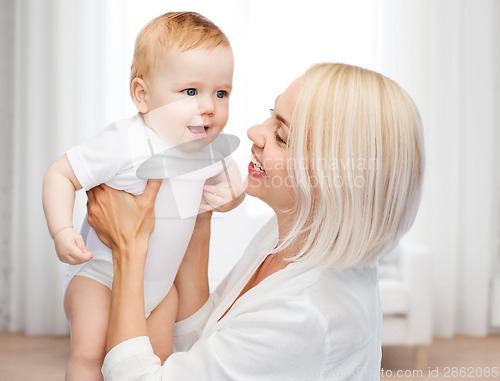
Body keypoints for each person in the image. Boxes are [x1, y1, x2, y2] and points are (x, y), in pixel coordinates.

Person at [86, 63, 425, 380]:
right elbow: (207, 339)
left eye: (282, 137)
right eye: (270, 116)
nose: (253, 132)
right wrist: (200, 218)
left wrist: (129, 248)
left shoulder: (305, 314)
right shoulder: (293, 235)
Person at [42, 11, 244, 381]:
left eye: (221, 93)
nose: (209, 106)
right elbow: (60, 173)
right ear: (143, 95)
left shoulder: (209, 148)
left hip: (160, 288)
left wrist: (232, 198)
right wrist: (60, 230)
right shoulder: (125, 142)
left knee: (157, 360)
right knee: (90, 354)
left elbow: (230, 190)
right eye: (190, 92)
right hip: (100, 278)